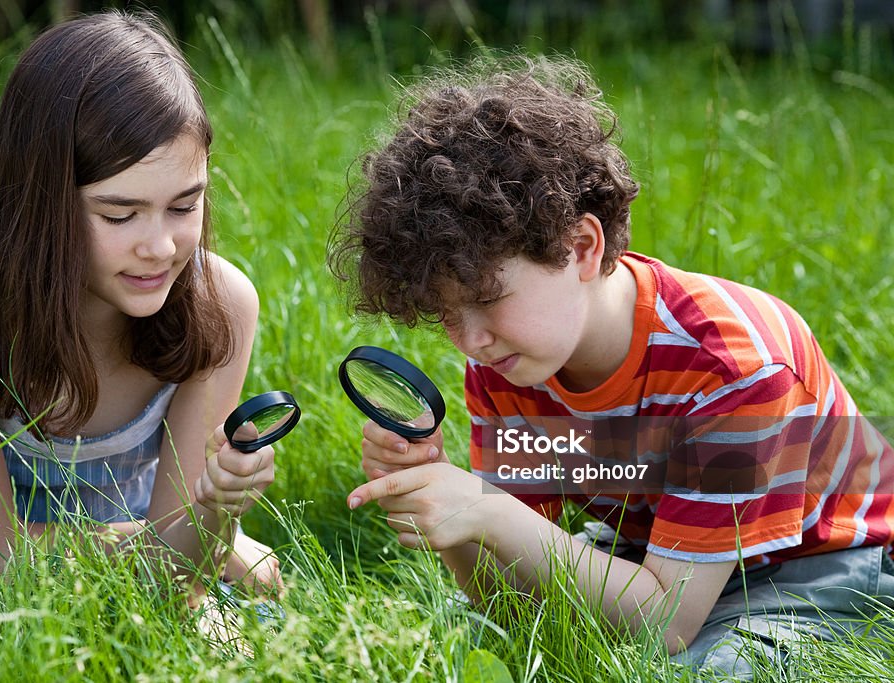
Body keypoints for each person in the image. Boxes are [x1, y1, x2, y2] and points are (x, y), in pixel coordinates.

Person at [330, 55, 894, 677]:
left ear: (581, 247)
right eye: (444, 316)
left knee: (702, 670)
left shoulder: (734, 369)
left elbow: (668, 623)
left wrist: (489, 508)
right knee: (473, 641)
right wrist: (454, 514)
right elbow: (508, 602)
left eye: (488, 301)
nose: (469, 341)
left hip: (823, 568)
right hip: (658, 552)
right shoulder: (512, 359)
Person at [0, 11, 280, 612]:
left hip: (123, 535)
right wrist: (143, 541)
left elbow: (176, 575)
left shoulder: (220, 306)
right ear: (38, 200)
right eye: (119, 214)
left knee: (244, 606)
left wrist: (215, 513)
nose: (160, 247)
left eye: (184, 206)